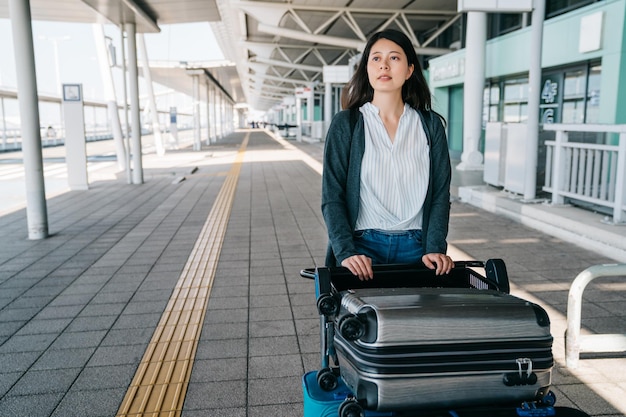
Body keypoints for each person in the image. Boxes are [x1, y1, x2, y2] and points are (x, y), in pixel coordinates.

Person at [321, 29, 454, 281]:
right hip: (363, 250)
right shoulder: (347, 123)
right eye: (375, 58)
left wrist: (435, 246)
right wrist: (346, 251)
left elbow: (439, 194)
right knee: (363, 319)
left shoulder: (430, 125)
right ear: (367, 70)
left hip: (418, 248)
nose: (384, 65)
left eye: (394, 58)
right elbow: (332, 196)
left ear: (409, 70)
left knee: (413, 321)